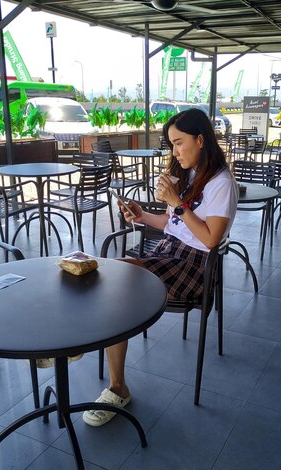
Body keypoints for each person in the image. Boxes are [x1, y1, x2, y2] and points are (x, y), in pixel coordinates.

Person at [82, 107, 239, 427]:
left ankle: (116, 386)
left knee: (117, 276)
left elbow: (210, 239)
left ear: (200, 139)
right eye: (171, 144)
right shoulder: (193, 174)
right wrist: (141, 216)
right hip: (169, 250)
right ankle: (110, 372)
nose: (175, 152)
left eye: (179, 143)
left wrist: (176, 202)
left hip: (195, 265)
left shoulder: (221, 182)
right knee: (115, 280)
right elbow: (171, 224)